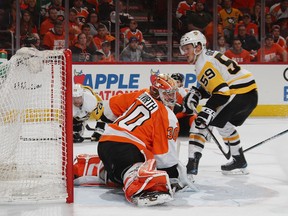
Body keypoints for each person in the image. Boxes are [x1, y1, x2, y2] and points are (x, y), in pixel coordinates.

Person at [96, 72, 195, 206]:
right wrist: (172, 175)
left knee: (126, 161)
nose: (171, 98)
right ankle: (138, 184)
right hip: (127, 148)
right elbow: (164, 157)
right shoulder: (168, 117)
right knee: (144, 163)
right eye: (166, 93)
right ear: (155, 91)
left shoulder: (142, 94)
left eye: (172, 93)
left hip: (105, 142)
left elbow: (110, 109)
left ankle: (107, 172)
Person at [179, 30, 258, 175]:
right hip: (249, 94)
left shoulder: (202, 63)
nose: (184, 53)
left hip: (238, 93)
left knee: (199, 124)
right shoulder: (208, 56)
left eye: (187, 48)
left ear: (198, 47)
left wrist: (207, 111)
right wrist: (197, 92)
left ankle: (190, 171)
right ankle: (239, 160)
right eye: (183, 49)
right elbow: (216, 86)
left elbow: (221, 92)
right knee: (224, 125)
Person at [171, 73, 196, 137]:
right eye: (173, 81)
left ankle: (196, 138)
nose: (175, 83)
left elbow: (191, 110)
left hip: (181, 122)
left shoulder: (186, 93)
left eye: (177, 82)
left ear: (181, 83)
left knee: (194, 117)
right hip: (169, 121)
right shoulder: (165, 92)